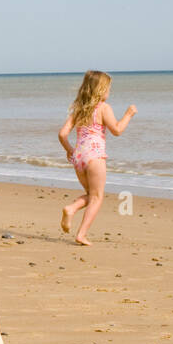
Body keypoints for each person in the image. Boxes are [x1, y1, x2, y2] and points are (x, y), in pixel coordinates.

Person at [58, 70, 136, 245]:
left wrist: (69, 150)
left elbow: (62, 134)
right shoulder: (103, 108)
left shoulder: (78, 110)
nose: (110, 91)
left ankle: (72, 208)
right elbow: (117, 130)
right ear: (100, 90)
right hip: (95, 157)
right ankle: (81, 233)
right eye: (108, 88)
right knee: (97, 197)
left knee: (91, 194)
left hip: (79, 157)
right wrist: (129, 114)